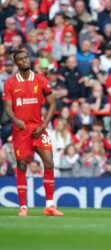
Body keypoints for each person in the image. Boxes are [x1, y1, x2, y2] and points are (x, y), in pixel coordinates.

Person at [2, 50, 64, 217]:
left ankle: (50, 205)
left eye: (26, 58)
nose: (24, 61)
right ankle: (23, 207)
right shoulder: (9, 83)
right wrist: (15, 119)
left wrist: (43, 126)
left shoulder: (41, 80)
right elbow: (8, 107)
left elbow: (52, 105)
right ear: (16, 63)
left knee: (49, 163)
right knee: (22, 165)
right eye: (20, 59)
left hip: (38, 127)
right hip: (21, 129)